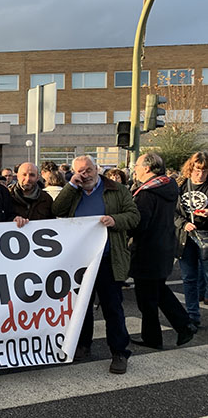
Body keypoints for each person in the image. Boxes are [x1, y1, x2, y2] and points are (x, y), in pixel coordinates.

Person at [52, 155, 140, 374]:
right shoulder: (73, 191)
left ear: (97, 169)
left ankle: (119, 352)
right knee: (81, 306)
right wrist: (71, 185)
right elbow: (57, 210)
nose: (85, 175)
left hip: (108, 259)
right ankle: (83, 345)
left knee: (112, 308)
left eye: (89, 170)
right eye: (80, 171)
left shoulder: (117, 190)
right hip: (81, 261)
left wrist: (115, 220)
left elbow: (134, 216)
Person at [129, 152, 196, 349]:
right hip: (164, 246)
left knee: (147, 298)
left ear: (147, 168)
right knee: (159, 291)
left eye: (138, 165)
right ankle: (184, 325)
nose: (135, 169)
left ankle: (155, 337)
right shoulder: (167, 186)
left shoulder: (147, 193)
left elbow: (139, 224)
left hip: (147, 251)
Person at [174, 151, 208, 328]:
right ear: (190, 169)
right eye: (197, 171)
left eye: (204, 171)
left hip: (206, 234)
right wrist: (183, 223)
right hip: (186, 237)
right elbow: (172, 211)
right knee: (189, 278)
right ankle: (193, 315)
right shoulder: (180, 185)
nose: (200, 174)